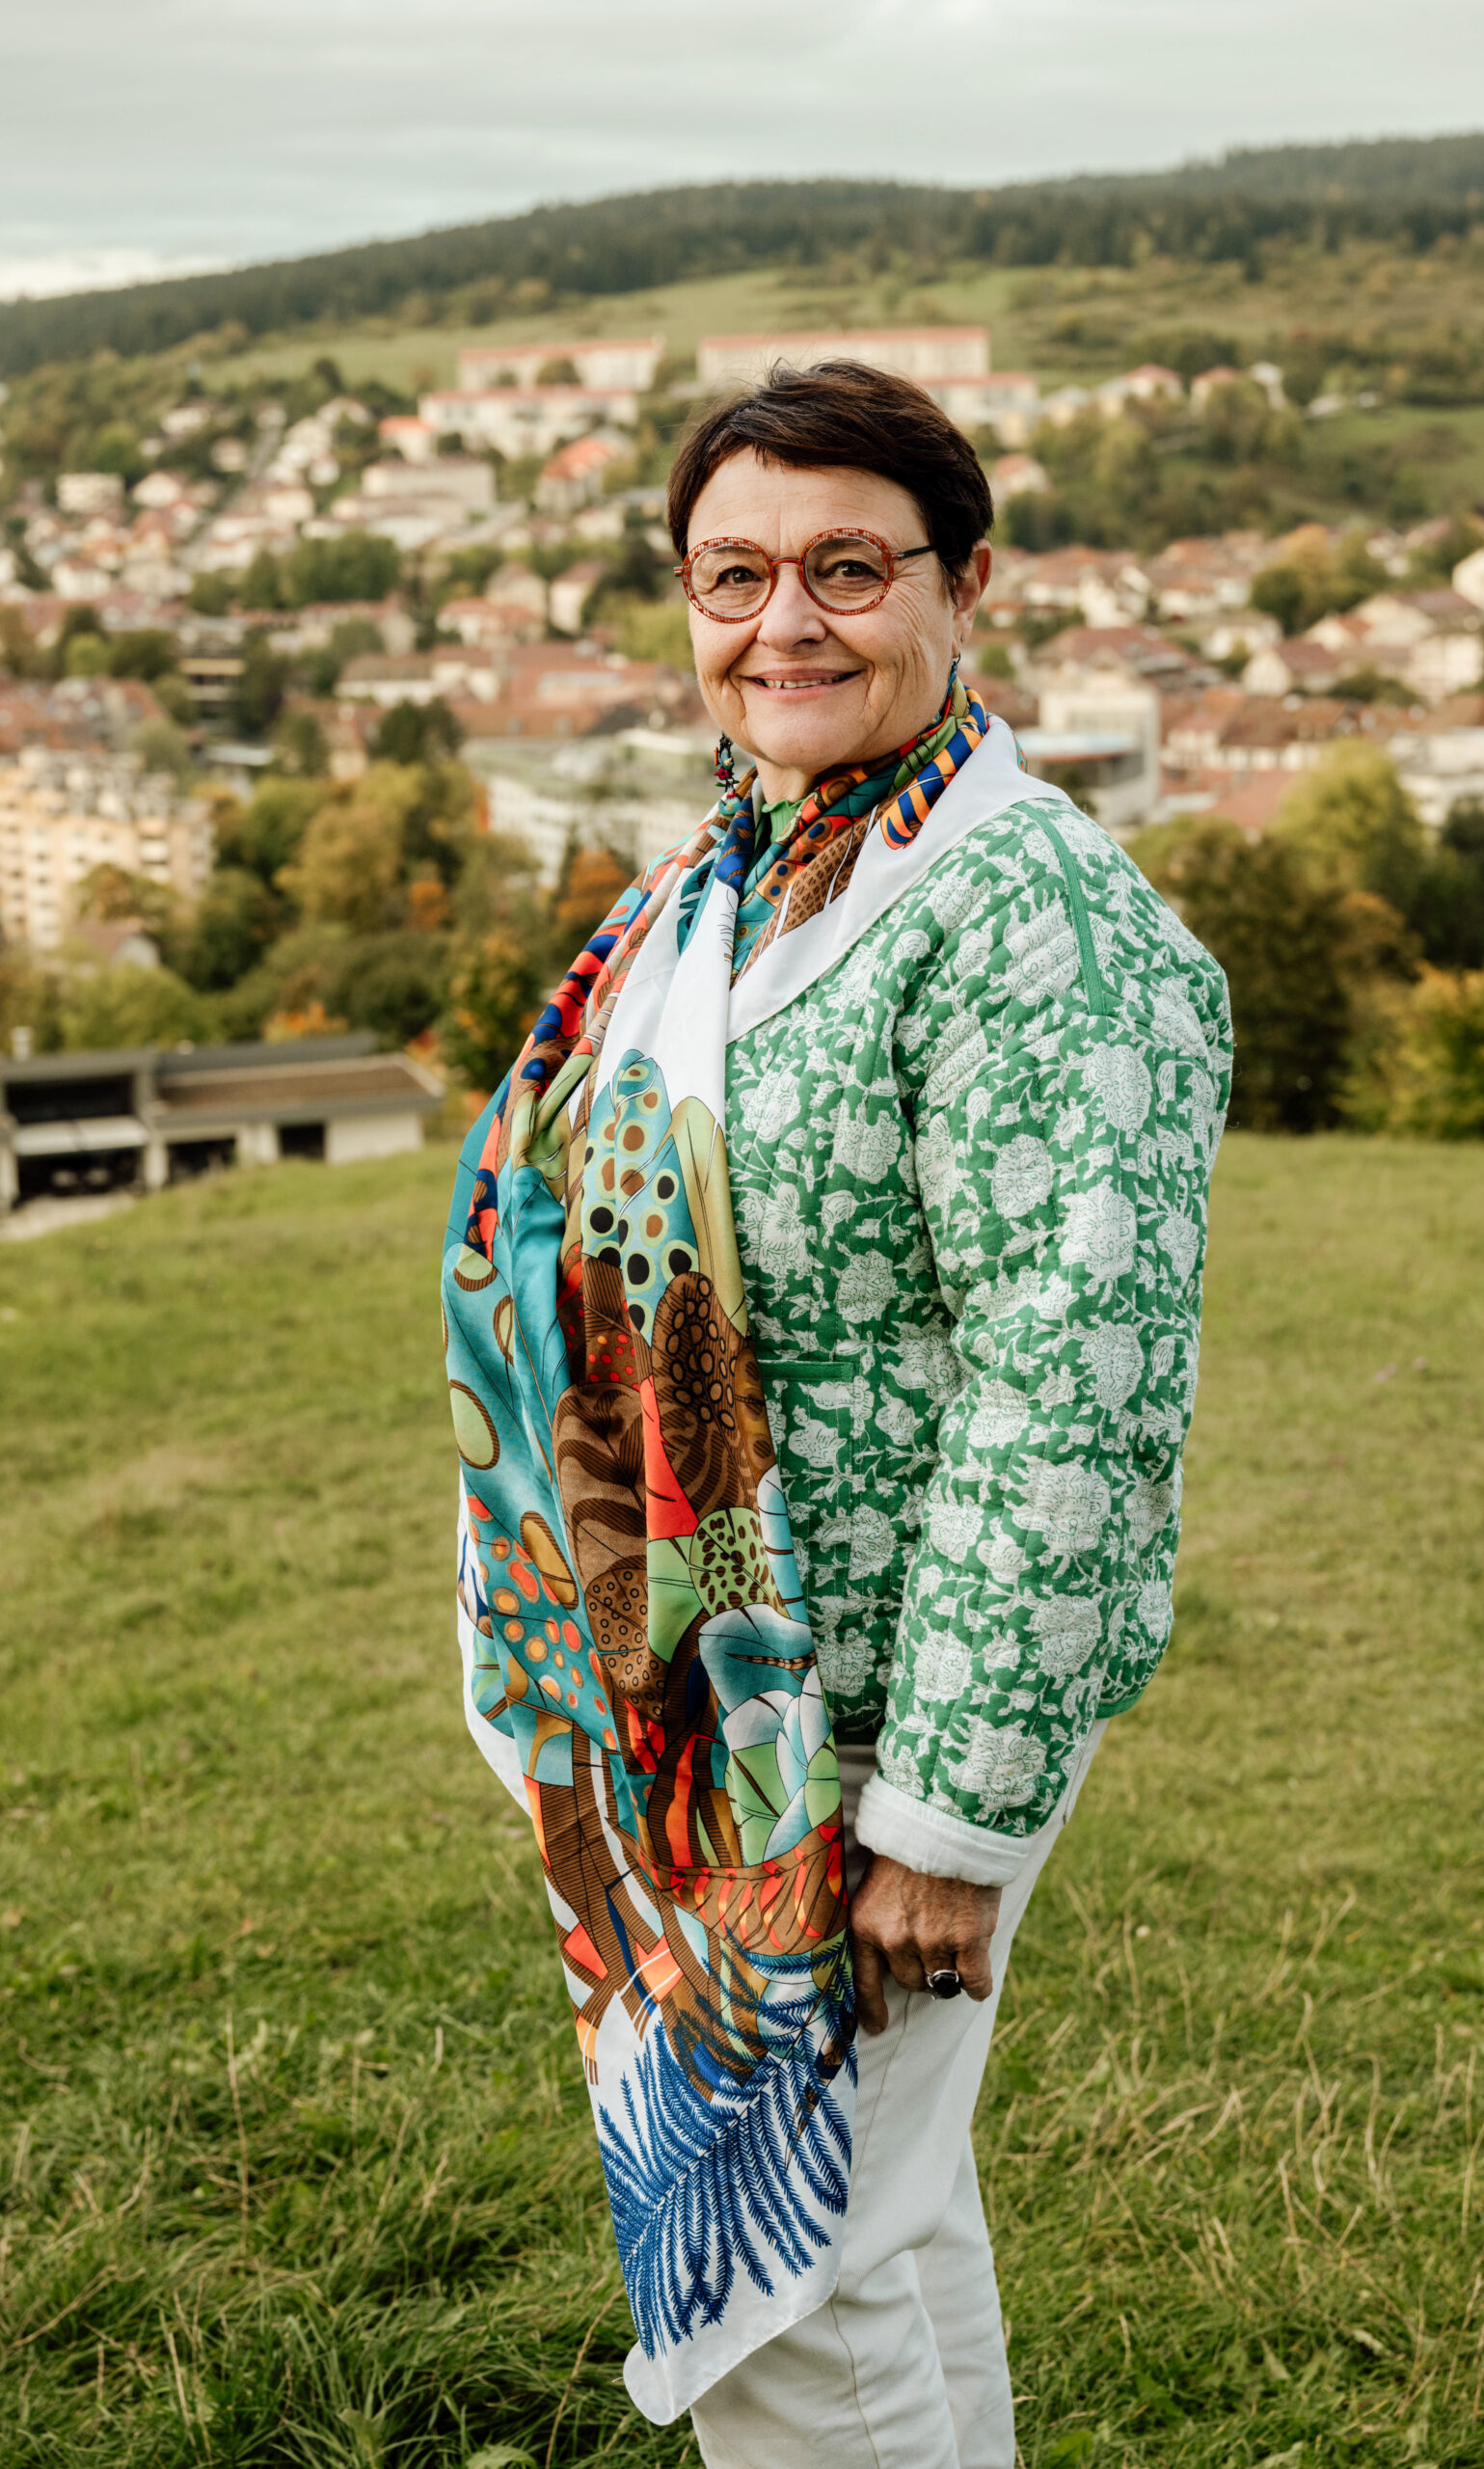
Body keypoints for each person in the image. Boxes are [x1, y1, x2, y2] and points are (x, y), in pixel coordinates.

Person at [441, 361, 1230, 2468]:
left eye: (847, 568)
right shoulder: (744, 866)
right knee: (879, 2221)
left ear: (964, 586)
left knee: (789, 2306)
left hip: (872, 1715)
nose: (780, 621)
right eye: (732, 575)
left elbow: (1075, 1387)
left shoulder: (1034, 921)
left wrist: (950, 1825)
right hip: (719, 1694)